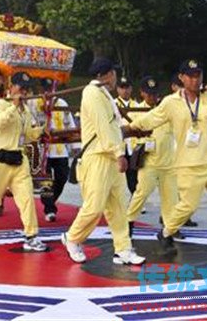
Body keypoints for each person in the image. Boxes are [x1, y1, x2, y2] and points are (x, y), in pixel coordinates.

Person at [128, 59, 207, 261]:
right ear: (182, 78)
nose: (195, 80)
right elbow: (152, 118)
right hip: (188, 164)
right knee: (187, 207)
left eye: (198, 75)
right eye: (191, 76)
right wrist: (131, 127)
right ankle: (166, 233)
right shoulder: (171, 102)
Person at [62, 58, 145, 265]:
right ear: (107, 75)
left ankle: (123, 248)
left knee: (117, 207)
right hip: (98, 157)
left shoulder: (104, 94)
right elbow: (103, 127)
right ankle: (72, 238)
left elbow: (114, 127)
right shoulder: (92, 94)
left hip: (110, 157)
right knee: (95, 205)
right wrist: (119, 153)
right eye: (114, 74)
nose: (116, 78)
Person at [0, 72, 48, 252]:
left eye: (26, 89)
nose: (24, 92)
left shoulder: (26, 111)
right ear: (11, 87)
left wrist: (41, 131)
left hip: (19, 161)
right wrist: (14, 105)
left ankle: (31, 235)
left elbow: (27, 134)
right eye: (20, 87)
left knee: (27, 198)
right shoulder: (0, 105)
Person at [126, 76, 178, 236]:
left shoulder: (164, 109)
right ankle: (128, 221)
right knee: (142, 192)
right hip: (149, 160)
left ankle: (170, 228)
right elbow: (130, 136)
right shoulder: (134, 112)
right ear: (142, 93)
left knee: (171, 196)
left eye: (154, 94)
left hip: (168, 160)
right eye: (149, 94)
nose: (152, 97)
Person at [36, 78, 76, 222]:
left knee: (62, 177)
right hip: (43, 150)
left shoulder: (62, 103)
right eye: (46, 89)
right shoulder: (34, 103)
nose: (49, 92)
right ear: (41, 90)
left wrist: (74, 147)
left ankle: (50, 201)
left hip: (60, 149)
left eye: (51, 89)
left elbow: (70, 124)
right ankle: (49, 209)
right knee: (45, 181)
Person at [114, 77, 140, 195]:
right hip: (119, 144)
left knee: (133, 174)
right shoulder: (112, 104)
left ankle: (135, 199)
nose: (125, 91)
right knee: (117, 174)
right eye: (122, 88)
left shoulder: (137, 105)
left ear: (131, 89)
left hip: (133, 144)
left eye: (127, 88)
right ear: (117, 89)